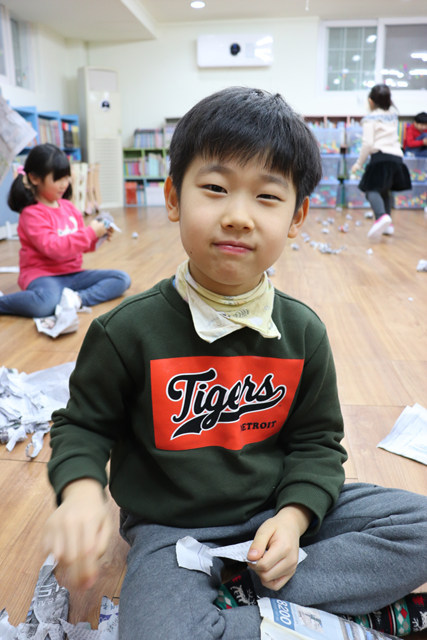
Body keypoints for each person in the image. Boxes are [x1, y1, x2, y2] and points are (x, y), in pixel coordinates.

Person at [44, 88, 427, 640]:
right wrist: (80, 492)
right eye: (216, 189)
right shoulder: (125, 331)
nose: (239, 217)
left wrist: (294, 518)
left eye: (267, 197)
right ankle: (299, 612)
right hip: (173, 534)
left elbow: (318, 445)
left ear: (296, 216)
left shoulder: (302, 331)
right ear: (174, 198)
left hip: (278, 512)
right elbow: (82, 425)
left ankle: (239, 605)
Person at [0, 143, 130, 318]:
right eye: (58, 179)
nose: (64, 184)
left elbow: (80, 245)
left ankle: (77, 299)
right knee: (43, 305)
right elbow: (54, 248)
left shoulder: (69, 208)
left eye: (67, 178)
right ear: (34, 178)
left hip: (73, 275)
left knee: (121, 279)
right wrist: (91, 232)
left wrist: (99, 236)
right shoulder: (31, 214)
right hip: (43, 276)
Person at [351, 84, 412, 239]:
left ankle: (381, 216)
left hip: (380, 158)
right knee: (384, 190)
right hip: (397, 158)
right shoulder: (392, 116)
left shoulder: (370, 119)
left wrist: (358, 163)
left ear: (370, 101)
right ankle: (388, 226)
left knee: (371, 190)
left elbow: (368, 144)